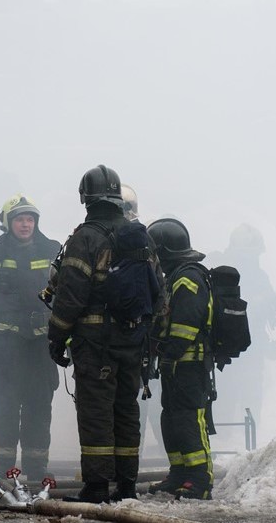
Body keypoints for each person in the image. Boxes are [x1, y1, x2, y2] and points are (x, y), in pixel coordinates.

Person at [47, 166, 160, 503]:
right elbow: (159, 291)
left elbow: (70, 297)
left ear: (86, 198)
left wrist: (56, 337)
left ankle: (96, 488)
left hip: (95, 344)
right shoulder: (142, 236)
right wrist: (147, 338)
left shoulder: (85, 238)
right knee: (126, 411)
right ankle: (126, 486)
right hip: (133, 340)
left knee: (96, 413)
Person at [0, 194, 62, 481]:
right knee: (5, 404)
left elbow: (68, 298)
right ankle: (3, 468)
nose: (26, 224)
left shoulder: (53, 251)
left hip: (42, 346)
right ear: (8, 223)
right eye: (20, 219)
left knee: (40, 405)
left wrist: (66, 339)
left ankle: (35, 468)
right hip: (5, 347)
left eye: (30, 219)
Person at [145, 218, 214, 500]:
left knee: (188, 419)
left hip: (189, 365)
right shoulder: (174, 276)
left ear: (163, 251)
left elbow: (186, 325)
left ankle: (200, 479)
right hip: (174, 366)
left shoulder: (188, 278)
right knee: (170, 419)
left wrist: (167, 351)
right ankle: (179, 472)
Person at [206, 223, 276, 432]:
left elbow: (274, 301)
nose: (256, 259)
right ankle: (222, 440)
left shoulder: (257, 274)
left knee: (251, 397)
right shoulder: (220, 270)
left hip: (251, 349)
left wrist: (264, 308)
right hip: (223, 347)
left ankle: (250, 444)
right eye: (253, 254)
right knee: (225, 398)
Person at [119, 184, 166, 456]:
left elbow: (157, 289)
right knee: (133, 400)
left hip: (134, 339)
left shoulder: (141, 241)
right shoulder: (141, 240)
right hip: (133, 338)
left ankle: (130, 458)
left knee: (139, 399)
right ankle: (126, 461)